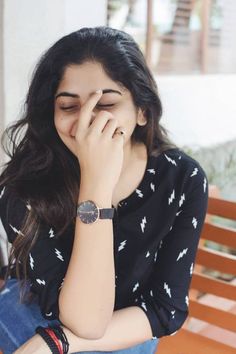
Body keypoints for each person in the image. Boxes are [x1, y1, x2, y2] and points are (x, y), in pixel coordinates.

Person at [0, 26, 208, 354]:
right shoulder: (24, 186)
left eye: (107, 103)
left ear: (142, 110)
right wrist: (96, 183)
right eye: (68, 107)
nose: (87, 122)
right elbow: (84, 320)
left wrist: (56, 341)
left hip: (127, 327)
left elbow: (163, 310)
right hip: (36, 309)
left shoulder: (182, 178)